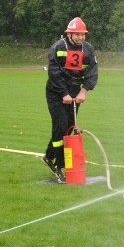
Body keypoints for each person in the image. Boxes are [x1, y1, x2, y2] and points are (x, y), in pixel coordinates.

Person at [41, 17, 98, 183]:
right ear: (69, 34)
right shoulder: (58, 48)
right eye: (77, 34)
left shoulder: (88, 50)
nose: (80, 37)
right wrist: (64, 93)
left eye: (83, 34)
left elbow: (93, 72)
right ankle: (60, 166)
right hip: (56, 91)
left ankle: (49, 156)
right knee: (60, 126)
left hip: (75, 92)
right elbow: (54, 73)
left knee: (69, 127)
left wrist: (84, 91)